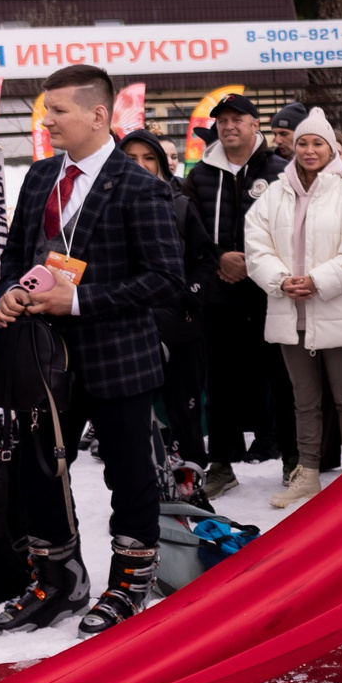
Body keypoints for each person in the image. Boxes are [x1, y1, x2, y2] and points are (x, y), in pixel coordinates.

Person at [0, 63, 186, 635]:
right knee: (38, 472)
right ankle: (58, 580)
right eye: (46, 110)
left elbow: (166, 281)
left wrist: (76, 302)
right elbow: (16, 256)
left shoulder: (141, 187)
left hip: (116, 357)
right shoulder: (40, 176)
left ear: (99, 115)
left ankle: (129, 583)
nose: (47, 121)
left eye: (58, 111)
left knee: (129, 476)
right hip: (40, 358)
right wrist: (11, 296)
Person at [245, 109, 342, 514]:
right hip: (290, 311)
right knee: (304, 399)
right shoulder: (274, 194)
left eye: (317, 143)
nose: (309, 149)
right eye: (303, 142)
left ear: (332, 149)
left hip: (334, 308)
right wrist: (281, 279)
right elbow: (256, 246)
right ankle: (307, 472)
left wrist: (317, 280)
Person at [187, 91, 288, 483]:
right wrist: (219, 259)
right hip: (218, 290)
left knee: (279, 376)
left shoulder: (281, 169)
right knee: (220, 381)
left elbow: (292, 228)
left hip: (268, 289)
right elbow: (189, 230)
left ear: (254, 125)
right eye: (222, 121)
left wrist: (252, 261)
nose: (229, 126)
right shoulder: (199, 174)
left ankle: (292, 458)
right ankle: (222, 463)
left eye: (237, 119)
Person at [120, 128, 217, 494]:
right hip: (128, 326)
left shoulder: (179, 205)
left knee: (185, 410)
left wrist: (188, 294)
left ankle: (192, 483)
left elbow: (205, 261)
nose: (142, 167)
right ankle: (142, 488)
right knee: (134, 416)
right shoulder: (107, 207)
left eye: (150, 159)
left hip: (180, 324)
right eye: (131, 160)